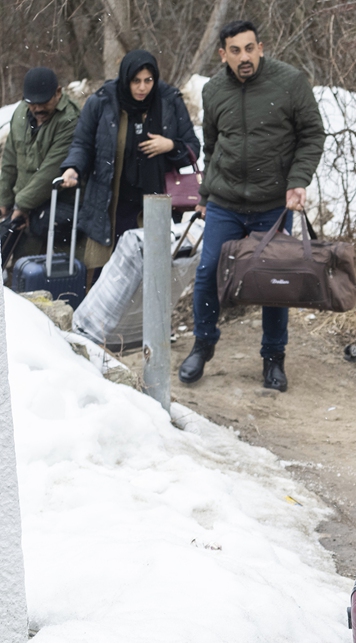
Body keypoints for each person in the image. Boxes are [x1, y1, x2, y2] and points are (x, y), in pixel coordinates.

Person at [179, 19, 325, 392]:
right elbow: (213, 147)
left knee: (274, 280)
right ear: (222, 54)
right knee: (209, 271)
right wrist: (206, 198)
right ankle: (202, 345)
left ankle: (273, 358)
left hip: (271, 205)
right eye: (235, 50)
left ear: (260, 47)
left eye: (249, 48)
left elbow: (312, 135)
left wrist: (298, 181)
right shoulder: (213, 91)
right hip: (225, 202)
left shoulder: (289, 82)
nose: (243, 57)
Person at [59, 49, 200, 276]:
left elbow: (193, 146)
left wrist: (171, 146)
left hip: (157, 203)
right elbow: (82, 144)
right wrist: (73, 168)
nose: (142, 88)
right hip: (112, 202)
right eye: (136, 81)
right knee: (108, 275)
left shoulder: (169, 101)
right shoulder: (103, 101)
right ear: (125, 79)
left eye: (148, 80)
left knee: (151, 273)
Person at [0, 67, 80, 268]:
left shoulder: (70, 119)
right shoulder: (20, 112)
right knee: (17, 268)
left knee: (37, 271)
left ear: (58, 93)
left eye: (43, 103)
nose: (37, 110)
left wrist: (21, 206)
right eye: (32, 104)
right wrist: (3, 200)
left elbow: (50, 171)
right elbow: (10, 158)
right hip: (20, 209)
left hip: (50, 211)